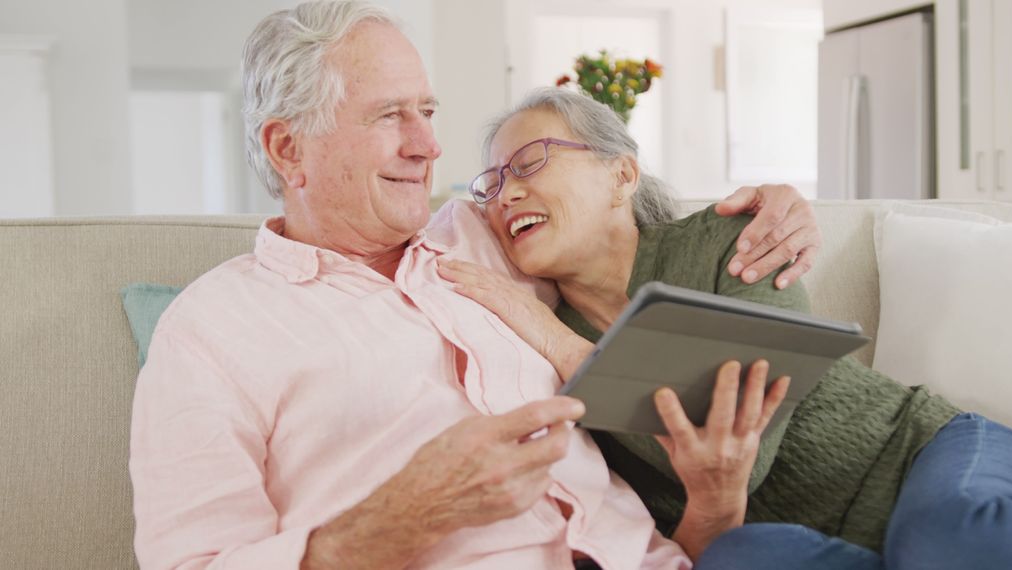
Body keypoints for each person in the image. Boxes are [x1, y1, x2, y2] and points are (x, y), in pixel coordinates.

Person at [127, 2, 824, 569]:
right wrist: (401, 518)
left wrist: (774, 207)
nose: (428, 146)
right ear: (288, 149)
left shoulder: (482, 235)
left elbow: (607, 221)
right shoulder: (212, 329)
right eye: (389, 115)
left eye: (427, 112)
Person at [438, 86, 1012, 570]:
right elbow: (685, 532)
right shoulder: (520, 355)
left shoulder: (733, 239)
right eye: (490, 185)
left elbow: (747, 451)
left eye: (530, 163)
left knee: (948, 538)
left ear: (621, 175)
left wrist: (559, 341)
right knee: (738, 558)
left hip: (923, 454)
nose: (505, 195)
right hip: (804, 543)